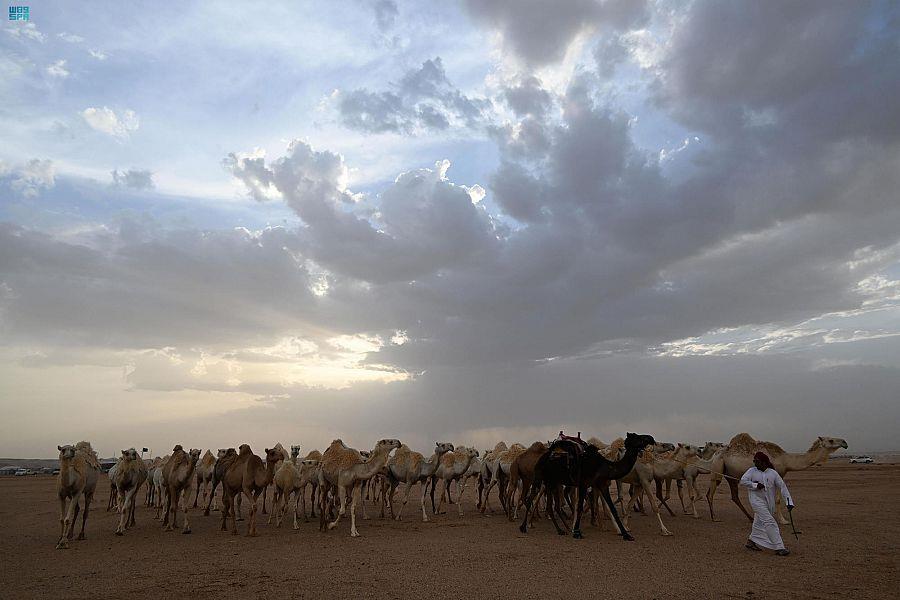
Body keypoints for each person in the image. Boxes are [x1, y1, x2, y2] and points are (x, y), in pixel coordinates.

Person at [739, 451, 794, 556]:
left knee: (758, 523)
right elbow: (742, 481)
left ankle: (751, 542)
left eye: (757, 461)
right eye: (754, 461)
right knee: (769, 521)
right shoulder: (751, 471)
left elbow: (782, 487)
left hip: (769, 503)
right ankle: (779, 547)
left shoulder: (772, 473)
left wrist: (789, 502)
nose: (754, 463)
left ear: (764, 462)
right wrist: (755, 485)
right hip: (756, 501)